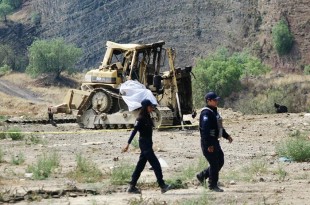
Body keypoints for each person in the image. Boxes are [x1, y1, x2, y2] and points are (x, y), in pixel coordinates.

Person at [122, 99, 171, 194]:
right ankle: (162, 185)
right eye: (150, 106)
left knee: (140, 166)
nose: (151, 108)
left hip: (148, 143)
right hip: (144, 144)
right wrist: (128, 144)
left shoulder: (148, 117)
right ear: (145, 107)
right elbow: (134, 131)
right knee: (156, 165)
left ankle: (132, 186)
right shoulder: (140, 119)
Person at [196, 91, 233, 192]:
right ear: (209, 101)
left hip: (215, 141)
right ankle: (212, 185)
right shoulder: (206, 113)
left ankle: (202, 176)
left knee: (220, 161)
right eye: (215, 100)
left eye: (217, 100)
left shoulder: (214, 111)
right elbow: (204, 130)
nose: (217, 101)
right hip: (208, 142)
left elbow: (218, 127)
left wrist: (227, 136)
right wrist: (208, 145)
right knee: (214, 163)